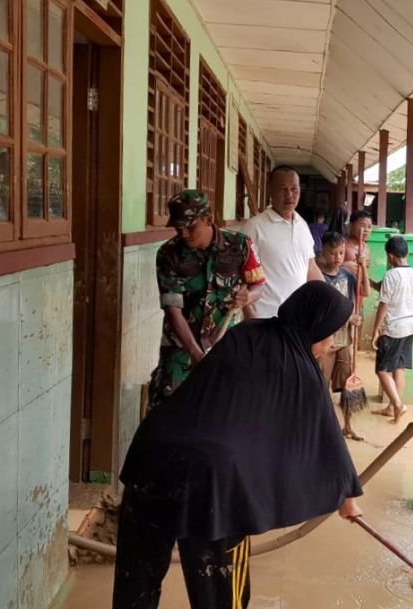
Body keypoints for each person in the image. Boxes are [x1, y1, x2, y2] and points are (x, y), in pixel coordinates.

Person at [113, 282, 364, 609]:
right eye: (331, 333)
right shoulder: (302, 370)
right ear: (315, 326)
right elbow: (326, 437)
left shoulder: (245, 332)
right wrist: (347, 497)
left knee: (137, 584)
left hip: (151, 455)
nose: (331, 344)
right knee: (220, 595)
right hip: (213, 482)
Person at [148, 190, 265, 411]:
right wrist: (194, 354)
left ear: (209, 220)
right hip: (181, 349)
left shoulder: (240, 246)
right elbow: (173, 310)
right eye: (178, 227)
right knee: (168, 411)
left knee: (218, 411)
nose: (183, 234)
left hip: (223, 347)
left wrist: (248, 297)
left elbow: (258, 284)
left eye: (190, 227)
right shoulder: (168, 254)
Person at [241, 166, 323, 319]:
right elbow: (241, 275)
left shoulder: (302, 225)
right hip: (264, 319)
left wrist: (327, 298)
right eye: (282, 189)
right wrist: (250, 319)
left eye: (294, 189)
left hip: (296, 318)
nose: (289, 195)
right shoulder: (255, 227)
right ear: (270, 191)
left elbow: (310, 267)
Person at [316, 232, 364, 439]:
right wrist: (348, 319)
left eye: (341, 253)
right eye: (333, 253)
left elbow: (365, 292)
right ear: (323, 252)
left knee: (347, 385)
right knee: (321, 385)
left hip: (344, 340)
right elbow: (321, 313)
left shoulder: (347, 276)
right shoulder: (316, 277)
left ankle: (348, 424)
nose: (337, 258)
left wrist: (361, 267)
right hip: (324, 341)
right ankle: (322, 428)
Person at [370, 236, 413, 424]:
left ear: (390, 256)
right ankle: (392, 407)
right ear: (406, 253)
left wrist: (376, 331)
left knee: (382, 370)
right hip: (409, 326)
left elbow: (384, 305)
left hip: (392, 328)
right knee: (399, 367)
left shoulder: (391, 275)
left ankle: (398, 405)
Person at [342, 210, 373, 298]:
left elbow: (364, 276)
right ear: (351, 226)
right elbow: (322, 265)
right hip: (342, 293)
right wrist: (343, 266)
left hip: (358, 295)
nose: (366, 230)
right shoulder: (342, 244)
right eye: (363, 225)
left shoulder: (366, 249)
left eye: (369, 227)